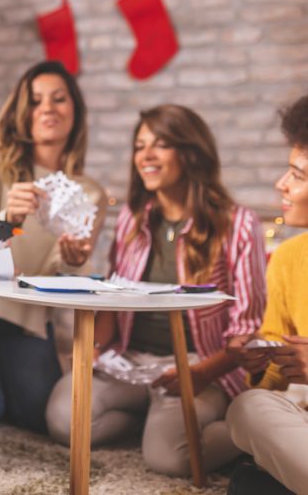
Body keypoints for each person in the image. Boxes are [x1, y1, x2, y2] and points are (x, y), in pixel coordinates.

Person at [45, 104, 267, 477]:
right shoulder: (134, 217)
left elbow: (244, 333)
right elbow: (116, 299)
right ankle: (147, 420)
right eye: (139, 146)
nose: (144, 156)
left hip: (198, 366)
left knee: (171, 459)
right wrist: (97, 353)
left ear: (190, 152)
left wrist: (196, 376)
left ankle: (255, 430)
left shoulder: (239, 224)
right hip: (131, 362)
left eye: (160, 145)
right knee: (63, 420)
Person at [0, 60, 107, 433]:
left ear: (75, 111)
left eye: (59, 99)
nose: (47, 108)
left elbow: (68, 274)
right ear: (21, 111)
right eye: (35, 100)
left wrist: (74, 259)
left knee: (37, 414)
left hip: (26, 322)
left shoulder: (91, 192)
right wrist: (7, 219)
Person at [226, 95, 308, 494]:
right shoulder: (290, 259)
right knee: (248, 409)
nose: (282, 184)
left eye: (298, 175)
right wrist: (258, 356)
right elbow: (273, 377)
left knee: (248, 485)